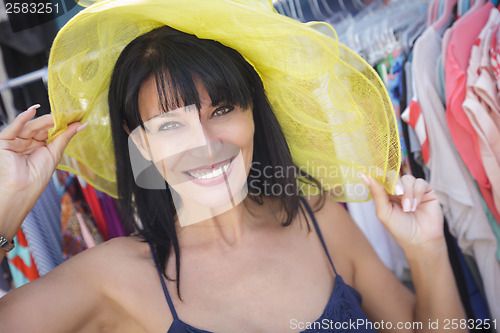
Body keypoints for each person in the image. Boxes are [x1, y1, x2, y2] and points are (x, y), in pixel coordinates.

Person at [0, 0, 466, 332]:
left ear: (253, 112)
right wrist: (7, 206)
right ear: (137, 139)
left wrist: (426, 251)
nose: (204, 145)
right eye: (169, 126)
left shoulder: (317, 218)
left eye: (221, 111)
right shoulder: (110, 279)